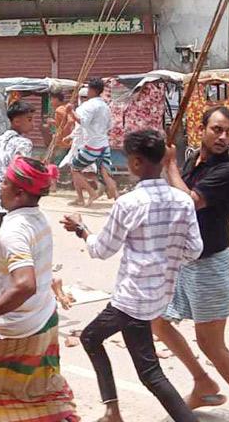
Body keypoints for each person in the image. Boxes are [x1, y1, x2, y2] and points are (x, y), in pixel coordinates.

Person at [62, 128, 203, 422]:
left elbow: (101, 249)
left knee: (91, 339)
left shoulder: (129, 203)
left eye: (128, 159)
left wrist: (81, 229)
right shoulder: (183, 201)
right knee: (149, 371)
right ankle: (113, 411)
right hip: (158, 297)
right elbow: (195, 250)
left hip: (131, 299)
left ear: (137, 162)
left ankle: (112, 411)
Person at [152, 106, 229, 420]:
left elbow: (189, 202)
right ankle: (202, 383)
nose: (223, 137)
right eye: (217, 129)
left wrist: (170, 165)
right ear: (202, 128)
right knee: (158, 321)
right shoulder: (193, 160)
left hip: (210, 265)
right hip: (184, 262)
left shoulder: (227, 170)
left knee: (211, 343)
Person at [0, 156, 77, 422]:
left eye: (5, 182)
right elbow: (30, 258)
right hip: (42, 320)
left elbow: (25, 284)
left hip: (13, 329)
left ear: (19, 192)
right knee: (32, 393)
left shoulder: (14, 230)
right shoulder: (35, 217)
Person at [68, 78, 118, 206]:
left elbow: (82, 121)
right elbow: (109, 125)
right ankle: (118, 199)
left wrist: (71, 111)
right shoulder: (105, 106)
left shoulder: (90, 105)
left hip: (92, 145)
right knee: (105, 174)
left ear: (92, 90)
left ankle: (91, 192)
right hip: (103, 143)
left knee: (75, 169)